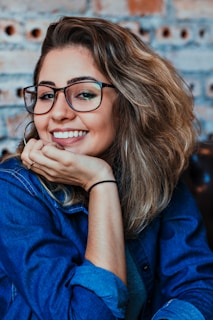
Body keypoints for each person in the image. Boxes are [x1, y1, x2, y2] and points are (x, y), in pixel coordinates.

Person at [0, 16, 212, 320]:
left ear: (128, 103)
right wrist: (100, 182)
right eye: (47, 95)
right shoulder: (13, 191)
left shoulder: (159, 175)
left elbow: (198, 286)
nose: (58, 112)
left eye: (84, 93)